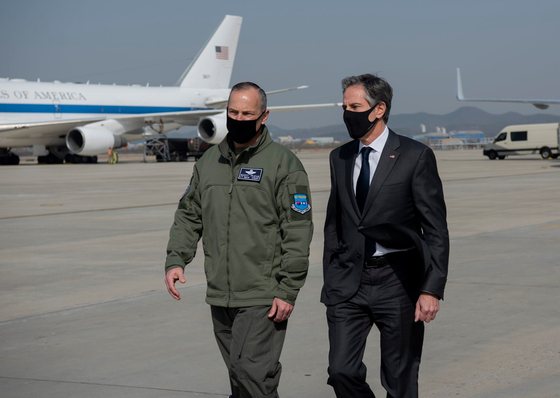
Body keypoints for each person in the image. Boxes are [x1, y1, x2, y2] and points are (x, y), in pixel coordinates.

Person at [165, 82, 313, 398]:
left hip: (263, 293)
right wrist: (176, 259)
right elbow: (189, 215)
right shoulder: (207, 164)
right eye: (233, 111)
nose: (239, 118)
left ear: (264, 117)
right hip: (220, 293)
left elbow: (298, 230)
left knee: (254, 375)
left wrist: (288, 289)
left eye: (247, 113)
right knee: (238, 377)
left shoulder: (284, 164)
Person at [321, 74, 449, 398]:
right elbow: (334, 223)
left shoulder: (415, 156)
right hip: (350, 283)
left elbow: (435, 230)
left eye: (355, 106)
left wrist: (431, 288)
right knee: (341, 371)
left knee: (400, 379)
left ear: (379, 109)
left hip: (399, 281)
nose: (348, 113)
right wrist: (332, 276)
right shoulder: (340, 157)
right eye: (345, 106)